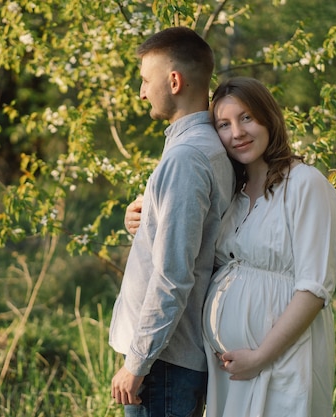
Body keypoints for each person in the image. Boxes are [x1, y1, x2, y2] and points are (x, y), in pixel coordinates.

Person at [125, 77, 336, 417]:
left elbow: (314, 289)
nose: (236, 133)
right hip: (229, 371)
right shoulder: (235, 192)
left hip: (281, 358)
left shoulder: (306, 184)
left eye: (246, 118)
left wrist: (261, 356)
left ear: (269, 118)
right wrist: (143, 216)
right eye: (223, 124)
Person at [109, 27, 235, 417]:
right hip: (170, 358)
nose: (142, 92)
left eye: (146, 80)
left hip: (164, 362)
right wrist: (145, 224)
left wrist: (137, 363)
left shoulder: (187, 158)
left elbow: (173, 276)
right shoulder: (203, 147)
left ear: (174, 81)